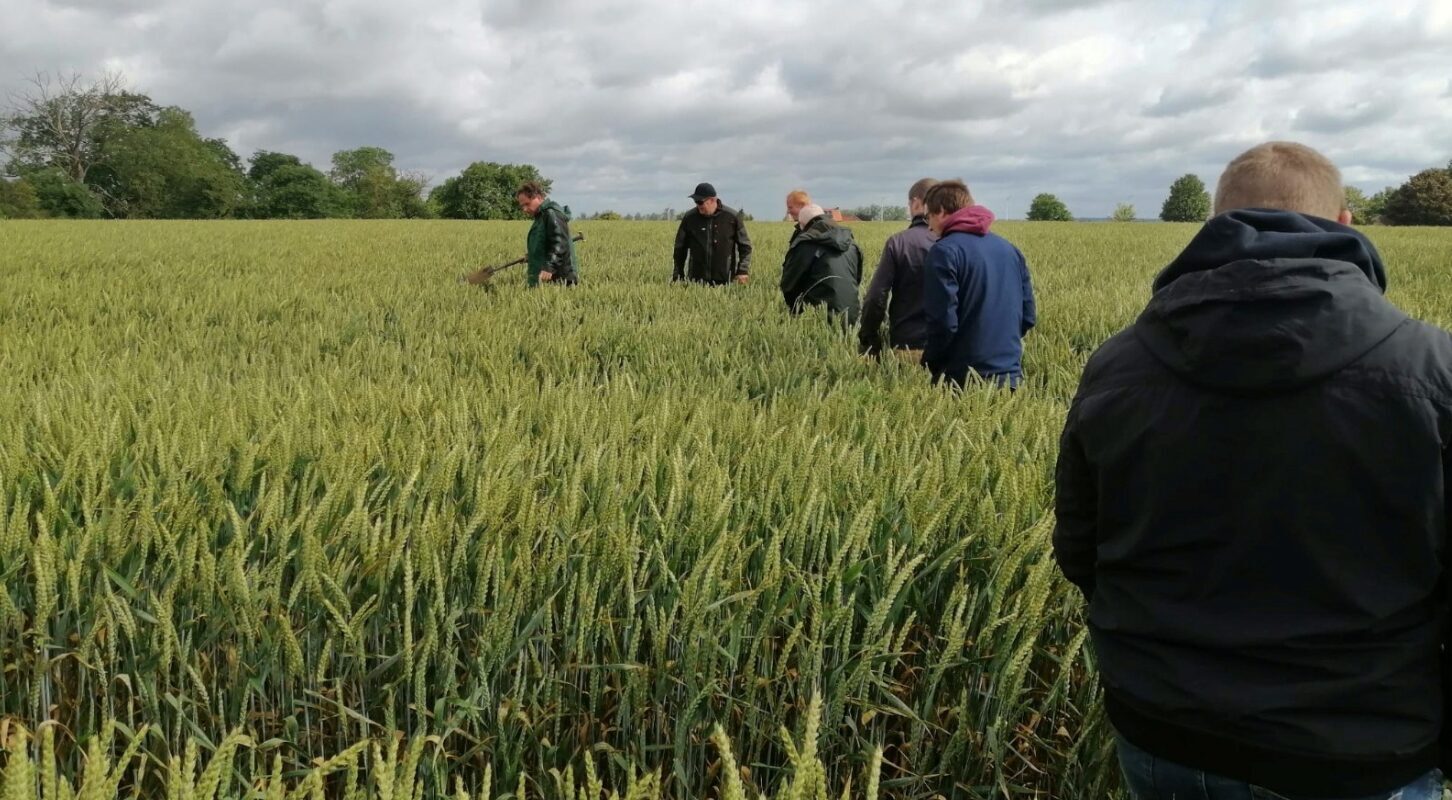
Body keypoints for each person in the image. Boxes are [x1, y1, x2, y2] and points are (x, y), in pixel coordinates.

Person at [1053, 141, 1452, 799]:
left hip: (1163, 733)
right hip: (1356, 750)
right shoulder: (1433, 371)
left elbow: (1081, 551)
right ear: (1345, 225)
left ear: (1215, 225)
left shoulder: (1118, 364)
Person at [921, 180, 1035, 387]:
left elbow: (943, 322)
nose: (928, 226)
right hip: (1009, 376)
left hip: (962, 379)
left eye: (927, 216)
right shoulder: (1010, 250)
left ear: (942, 212)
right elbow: (1028, 316)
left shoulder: (944, 252)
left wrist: (931, 364)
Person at [859, 178, 938, 361]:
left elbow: (875, 297)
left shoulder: (899, 242)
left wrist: (869, 338)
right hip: (951, 351)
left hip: (907, 347)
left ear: (916, 202)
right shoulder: (959, 242)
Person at [780, 202, 862, 326]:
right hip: (852, 318)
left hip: (818, 320)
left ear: (803, 225)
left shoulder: (805, 245)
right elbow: (857, 279)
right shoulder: (852, 244)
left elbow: (788, 286)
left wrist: (795, 314)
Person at [672, 182, 752, 285]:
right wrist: (678, 274)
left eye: (700, 202)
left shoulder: (732, 217)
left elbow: (745, 246)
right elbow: (679, 248)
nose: (698, 205)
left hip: (725, 281)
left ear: (712, 200)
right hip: (696, 282)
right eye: (695, 201)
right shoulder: (689, 218)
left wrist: (743, 271)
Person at [516, 181, 578, 286]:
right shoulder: (541, 216)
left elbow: (559, 244)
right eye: (522, 206)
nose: (525, 209)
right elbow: (545, 242)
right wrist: (532, 255)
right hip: (549, 277)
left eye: (527, 204)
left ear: (539, 197)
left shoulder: (551, 214)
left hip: (559, 278)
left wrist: (549, 266)